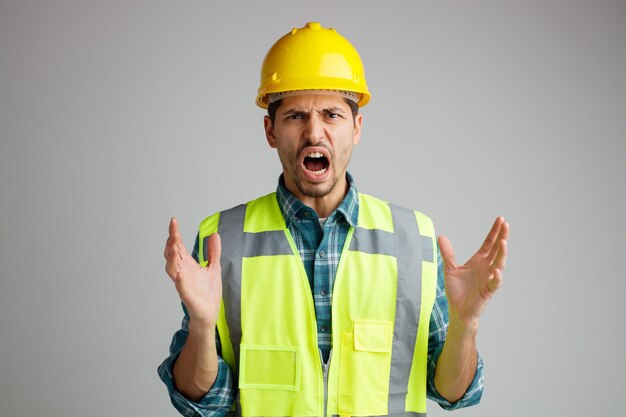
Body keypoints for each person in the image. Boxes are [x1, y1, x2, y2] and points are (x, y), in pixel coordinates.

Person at [158, 22, 509, 417]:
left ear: (356, 127)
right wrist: (203, 327)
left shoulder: (412, 239)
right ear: (270, 130)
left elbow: (451, 391)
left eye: (332, 114)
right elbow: (201, 398)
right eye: (295, 116)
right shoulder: (222, 239)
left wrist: (465, 324)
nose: (314, 132)